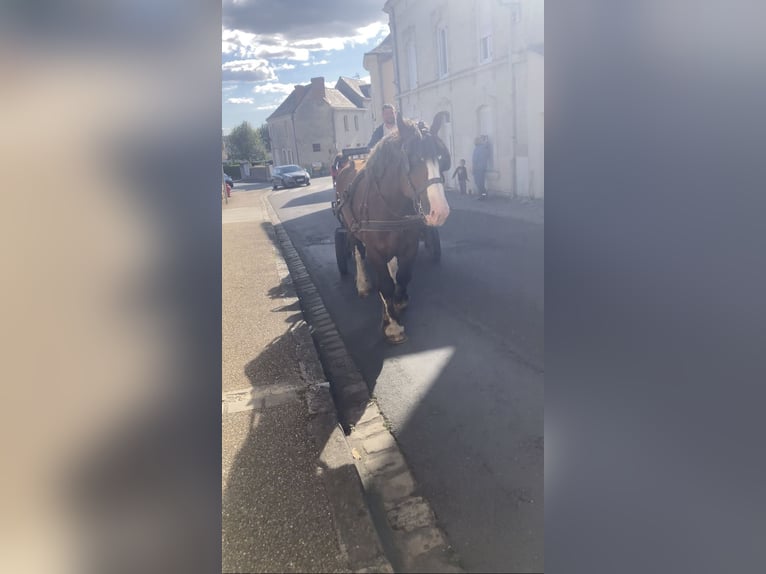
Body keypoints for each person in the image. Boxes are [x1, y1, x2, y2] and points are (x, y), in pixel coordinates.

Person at [472, 135, 491, 200]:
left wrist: (473, 168)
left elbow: (475, 160)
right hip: (483, 168)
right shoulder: (484, 148)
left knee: (478, 183)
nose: (474, 142)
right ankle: (484, 195)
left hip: (478, 168)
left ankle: (482, 196)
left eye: (475, 141)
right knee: (481, 183)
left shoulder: (477, 149)